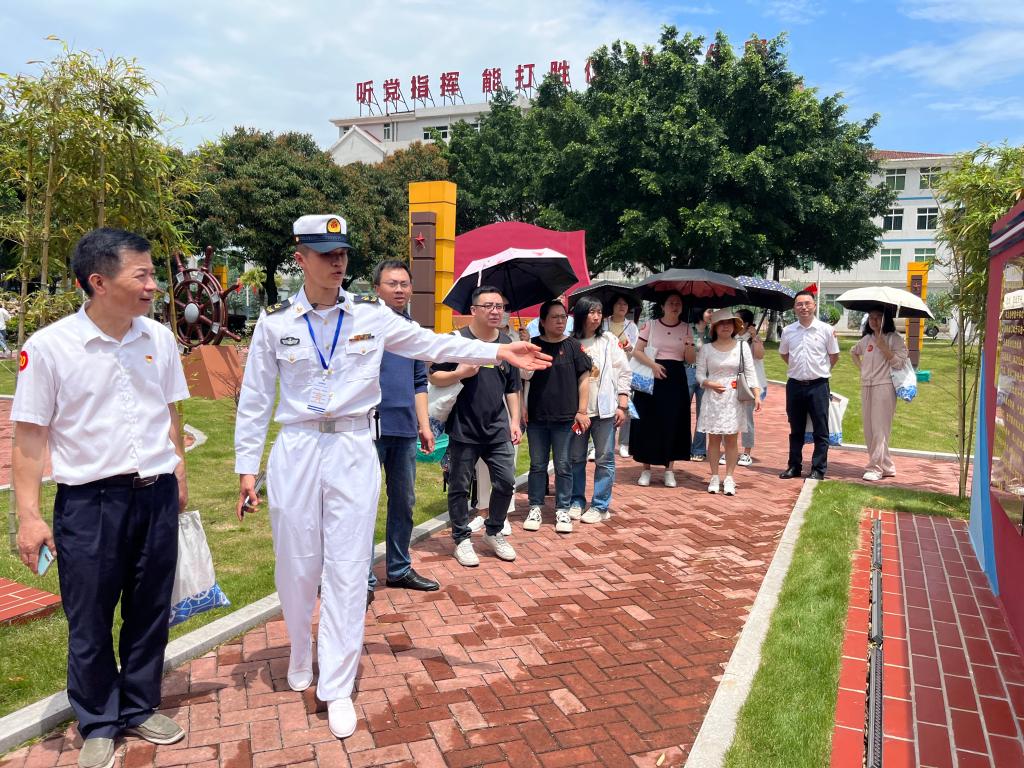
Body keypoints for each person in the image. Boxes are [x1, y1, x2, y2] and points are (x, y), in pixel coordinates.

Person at [234, 217, 549, 740]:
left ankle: (337, 684)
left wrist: (496, 350)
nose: (337, 261)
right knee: (296, 561)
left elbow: (428, 343)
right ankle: (299, 648)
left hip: (353, 445)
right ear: (300, 258)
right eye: (325, 253)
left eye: (342, 252)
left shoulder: (371, 316)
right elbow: (254, 399)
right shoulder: (274, 323)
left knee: (348, 564)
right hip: (297, 446)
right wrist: (248, 467)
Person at [13, 228, 190, 768]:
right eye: (143, 275)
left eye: (153, 274)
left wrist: (179, 473)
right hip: (90, 504)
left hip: (155, 495)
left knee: (149, 610)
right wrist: (28, 516)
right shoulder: (49, 348)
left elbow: (172, 411)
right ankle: (97, 721)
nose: (154, 286)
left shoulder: (158, 338)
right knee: (89, 618)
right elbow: (29, 437)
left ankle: (138, 705)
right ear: (99, 281)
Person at [429, 285, 523, 567]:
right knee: (459, 486)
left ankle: (493, 531)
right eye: (488, 306)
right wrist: (460, 373)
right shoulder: (456, 341)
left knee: (506, 482)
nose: (495, 311)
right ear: (473, 310)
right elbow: (433, 376)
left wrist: (514, 420)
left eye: (499, 306)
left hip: (497, 427)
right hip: (464, 427)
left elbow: (513, 388)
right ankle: (461, 538)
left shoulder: (506, 343)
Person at [366, 259, 439, 597]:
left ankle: (398, 568)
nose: (399, 289)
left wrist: (424, 425)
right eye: (391, 284)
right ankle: (362, 577)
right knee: (363, 505)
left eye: (404, 284)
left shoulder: (412, 330)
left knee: (404, 502)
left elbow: (419, 382)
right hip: (369, 430)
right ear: (377, 289)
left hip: (405, 429)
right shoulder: (365, 327)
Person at [521, 299, 592, 532]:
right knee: (537, 465)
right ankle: (535, 507)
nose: (560, 321)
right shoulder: (533, 346)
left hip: (565, 418)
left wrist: (582, 410)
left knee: (563, 465)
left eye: (563, 317)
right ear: (542, 321)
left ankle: (562, 509)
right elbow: (521, 380)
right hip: (537, 417)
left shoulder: (573, 346)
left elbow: (584, 379)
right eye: (554, 317)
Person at [570, 296, 631, 522]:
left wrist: (622, 403)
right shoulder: (571, 342)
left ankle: (600, 505)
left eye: (599, 312)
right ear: (581, 314)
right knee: (575, 458)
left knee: (604, 458)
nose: (596, 317)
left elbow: (623, 371)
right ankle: (576, 501)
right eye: (591, 312)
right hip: (578, 412)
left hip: (604, 411)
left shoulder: (608, 340)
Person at [629, 292, 696, 486]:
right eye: (671, 303)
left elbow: (690, 360)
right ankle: (646, 469)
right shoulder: (650, 325)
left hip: (676, 379)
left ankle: (669, 469)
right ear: (663, 306)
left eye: (678, 303)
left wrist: (690, 345)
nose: (675, 306)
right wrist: (653, 365)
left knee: (673, 422)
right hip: (652, 376)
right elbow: (637, 351)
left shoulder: (686, 328)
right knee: (647, 422)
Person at [696, 309, 762, 495]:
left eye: (729, 323)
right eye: (721, 323)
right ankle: (714, 476)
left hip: (734, 397)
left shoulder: (742, 347)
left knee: (732, 439)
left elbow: (750, 372)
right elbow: (699, 374)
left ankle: (730, 477)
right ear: (715, 327)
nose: (725, 326)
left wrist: (757, 395)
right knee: (714, 439)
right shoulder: (706, 349)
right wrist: (708, 383)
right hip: (713, 397)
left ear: (734, 326)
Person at [778, 290, 841, 481]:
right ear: (794, 308)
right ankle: (794, 466)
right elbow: (784, 354)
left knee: (821, 429)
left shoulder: (826, 330)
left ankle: (818, 469)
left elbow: (834, 355)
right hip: (795, 386)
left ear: (814, 305)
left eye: (807, 303)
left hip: (818, 386)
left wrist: (820, 370)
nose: (803, 307)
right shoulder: (788, 331)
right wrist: (798, 369)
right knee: (795, 428)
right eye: (799, 304)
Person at [851, 308, 909, 481]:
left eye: (878, 317)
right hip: (866, 386)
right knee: (869, 430)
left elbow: (900, 363)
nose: (874, 321)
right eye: (871, 317)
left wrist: (884, 348)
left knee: (879, 429)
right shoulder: (867, 339)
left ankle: (875, 468)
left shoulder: (894, 339)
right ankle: (887, 466)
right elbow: (853, 352)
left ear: (885, 319)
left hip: (884, 386)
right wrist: (862, 369)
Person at [602, 295, 639, 458]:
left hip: (624, 370)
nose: (622, 306)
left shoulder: (632, 326)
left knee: (626, 406)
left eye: (625, 304)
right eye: (618, 303)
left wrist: (630, 347)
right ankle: (600, 443)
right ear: (613, 306)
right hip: (605, 370)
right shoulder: (604, 323)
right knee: (603, 405)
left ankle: (624, 443)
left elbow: (637, 350)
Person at [732, 308, 767, 466]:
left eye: (737, 319)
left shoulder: (754, 338)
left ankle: (746, 453)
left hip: (749, 384)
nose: (734, 322)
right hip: (732, 383)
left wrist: (754, 338)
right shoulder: (731, 337)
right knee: (729, 417)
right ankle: (729, 450)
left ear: (746, 323)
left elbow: (759, 355)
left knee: (746, 419)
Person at [688, 307, 713, 461]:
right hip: (688, 370)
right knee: (683, 411)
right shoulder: (687, 330)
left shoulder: (713, 332)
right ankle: (683, 446)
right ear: (700, 312)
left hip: (706, 374)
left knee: (703, 413)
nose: (711, 314)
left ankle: (698, 449)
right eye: (709, 311)